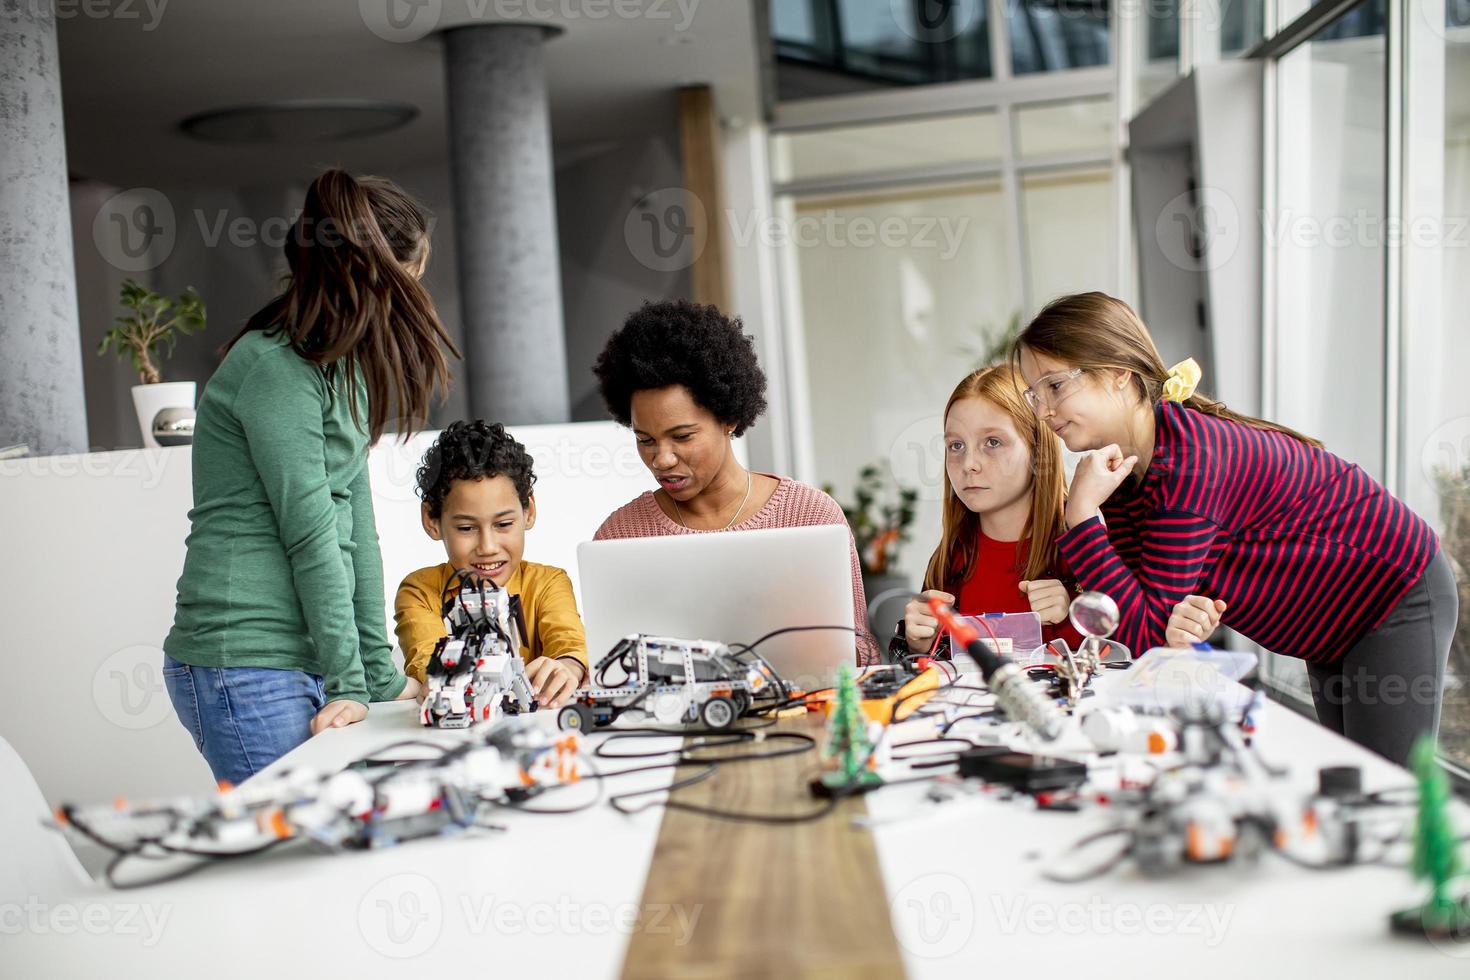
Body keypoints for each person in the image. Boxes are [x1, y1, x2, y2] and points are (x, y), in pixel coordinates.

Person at [1015, 291, 1455, 766]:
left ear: (1119, 372)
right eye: (1034, 393)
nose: (1043, 410)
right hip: (1331, 624)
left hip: (1392, 593)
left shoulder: (1191, 461)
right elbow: (1138, 623)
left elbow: (1148, 638)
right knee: (1356, 786)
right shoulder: (1123, 474)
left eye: (1055, 386)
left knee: (1390, 792)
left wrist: (1081, 516)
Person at [162, 170, 457, 784]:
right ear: (373, 276)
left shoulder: (341, 369)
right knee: (294, 864)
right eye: (411, 282)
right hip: (245, 662)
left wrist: (376, 671)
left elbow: (357, 529)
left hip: (309, 660)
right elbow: (311, 535)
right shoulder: (273, 368)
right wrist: (350, 681)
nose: (415, 302)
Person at [590, 299, 879, 665]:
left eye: (682, 436)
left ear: (728, 419)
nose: (661, 459)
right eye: (645, 439)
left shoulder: (809, 515)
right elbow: (607, 669)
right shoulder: (620, 537)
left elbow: (863, 659)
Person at [395, 420, 589, 707]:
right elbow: (428, 658)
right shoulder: (420, 591)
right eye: (466, 528)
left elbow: (569, 642)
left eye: (503, 524)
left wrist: (569, 666)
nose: (487, 547)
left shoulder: (548, 582)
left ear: (529, 512)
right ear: (432, 521)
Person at [901, 365, 1084, 655]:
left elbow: (1125, 659)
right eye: (956, 445)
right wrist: (917, 645)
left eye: (993, 442)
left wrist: (1072, 621)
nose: (969, 463)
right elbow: (927, 683)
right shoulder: (951, 556)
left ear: (1038, 451)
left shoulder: (1083, 543)